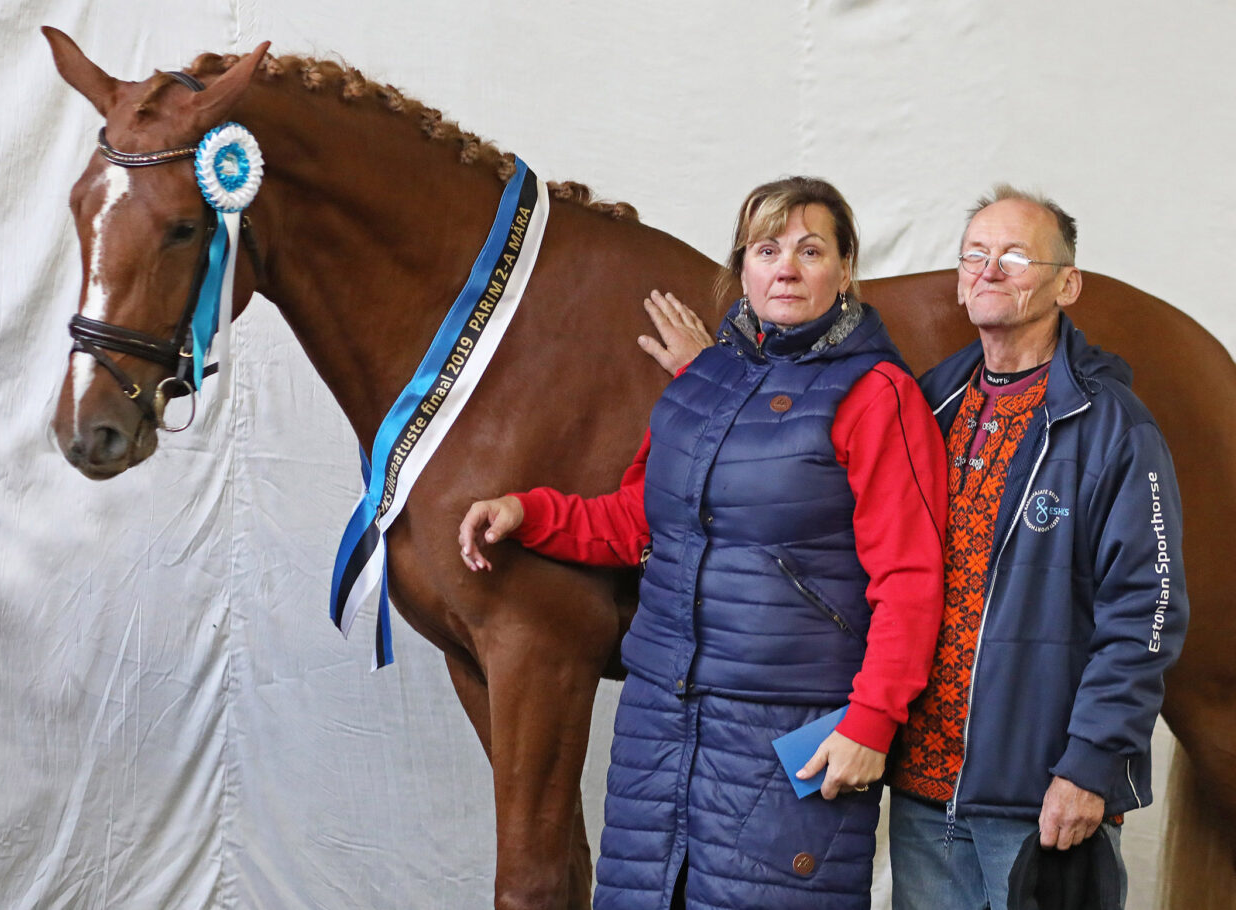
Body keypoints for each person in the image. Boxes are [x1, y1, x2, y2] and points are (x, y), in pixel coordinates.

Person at [458, 177, 948, 909]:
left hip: (785, 727)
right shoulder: (701, 382)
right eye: (767, 250)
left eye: (811, 251)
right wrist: (528, 512)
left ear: (846, 270)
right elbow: (640, 520)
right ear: (742, 269)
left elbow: (911, 576)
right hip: (661, 725)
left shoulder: (878, 394)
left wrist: (872, 722)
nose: (786, 268)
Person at [880, 186, 1189, 910]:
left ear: (1066, 284)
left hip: (1045, 797)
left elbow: (1148, 611)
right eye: (975, 255)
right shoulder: (927, 408)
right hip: (924, 793)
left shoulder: (1117, 428)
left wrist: (1089, 766)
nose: (990, 269)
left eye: (1016, 256)